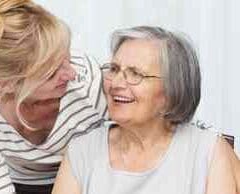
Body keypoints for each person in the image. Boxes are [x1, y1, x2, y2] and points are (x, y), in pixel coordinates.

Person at [52, 26, 240, 194]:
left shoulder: (209, 152)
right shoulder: (82, 151)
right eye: (114, 69)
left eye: (136, 74)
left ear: (172, 90)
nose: (116, 83)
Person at [0, 0, 107, 193]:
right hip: (12, 182)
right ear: (5, 84)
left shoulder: (88, 84)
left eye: (66, 58)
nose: (71, 73)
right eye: (51, 73)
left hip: (78, 180)